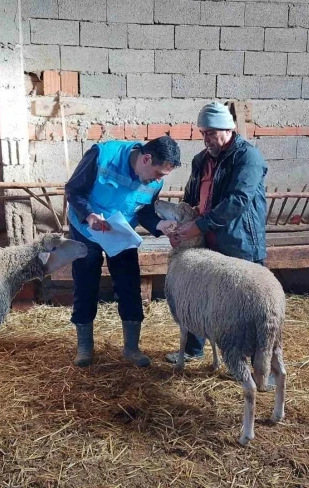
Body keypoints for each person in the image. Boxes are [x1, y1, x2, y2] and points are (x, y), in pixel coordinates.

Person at [165, 101, 268, 365]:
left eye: (210, 132)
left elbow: (238, 200)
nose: (206, 138)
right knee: (199, 295)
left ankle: (259, 362)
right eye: (202, 133)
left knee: (250, 304)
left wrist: (197, 226)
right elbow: (189, 199)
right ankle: (193, 349)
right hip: (207, 242)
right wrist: (179, 227)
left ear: (228, 129)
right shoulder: (201, 160)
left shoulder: (247, 157)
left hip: (239, 242)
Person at [65, 135, 181, 368]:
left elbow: (144, 212)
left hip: (120, 231)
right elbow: (73, 190)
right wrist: (89, 215)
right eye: (158, 174)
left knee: (129, 285)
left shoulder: (155, 182)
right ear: (146, 159)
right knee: (86, 282)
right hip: (87, 228)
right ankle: (85, 346)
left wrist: (160, 226)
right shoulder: (103, 155)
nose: (157, 181)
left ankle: (131, 347)